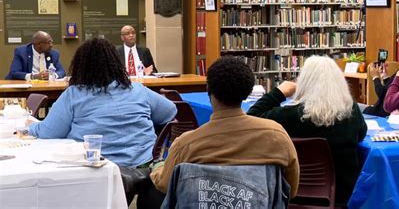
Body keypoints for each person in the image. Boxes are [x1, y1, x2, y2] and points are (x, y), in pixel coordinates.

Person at [149, 56, 299, 204]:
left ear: (208, 90)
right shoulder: (276, 135)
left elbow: (164, 184)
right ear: (248, 92)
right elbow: (290, 189)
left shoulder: (186, 144)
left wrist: (157, 167)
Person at [25, 38, 177, 167]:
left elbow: (50, 132)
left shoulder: (74, 94)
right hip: (143, 164)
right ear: (116, 63)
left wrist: (30, 127)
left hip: (96, 167)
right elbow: (170, 111)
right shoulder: (138, 90)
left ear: (80, 66)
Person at [247, 55, 368, 206]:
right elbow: (362, 133)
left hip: (294, 194)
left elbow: (252, 117)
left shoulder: (292, 115)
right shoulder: (352, 111)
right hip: (342, 197)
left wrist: (279, 92)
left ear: (304, 82)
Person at [363, 35, 399, 117]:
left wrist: (375, 77)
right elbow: (392, 88)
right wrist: (385, 76)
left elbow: (383, 94)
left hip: (379, 112)